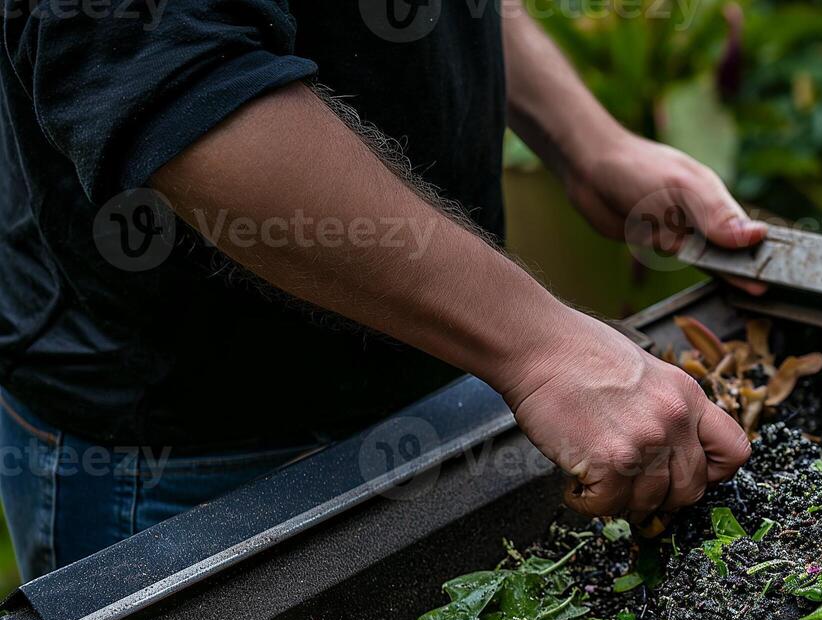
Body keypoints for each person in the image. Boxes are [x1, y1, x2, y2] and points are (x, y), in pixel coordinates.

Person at [0, 0, 762, 582]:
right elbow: (178, 83)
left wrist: (586, 139)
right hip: (190, 453)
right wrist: (544, 347)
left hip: (442, 373)